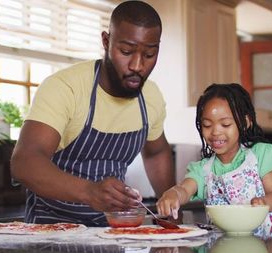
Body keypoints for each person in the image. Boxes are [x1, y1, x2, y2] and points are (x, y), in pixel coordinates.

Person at [10, 1, 175, 226]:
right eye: (126, 51)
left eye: (149, 54)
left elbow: (157, 152)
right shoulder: (65, 87)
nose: (137, 65)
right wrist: (89, 191)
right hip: (51, 230)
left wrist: (169, 203)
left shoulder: (151, 97)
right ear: (106, 42)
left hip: (112, 231)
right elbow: (25, 162)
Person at [156, 83, 272, 237]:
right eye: (207, 125)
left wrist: (264, 202)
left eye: (225, 124)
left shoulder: (262, 154)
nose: (215, 132)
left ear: (245, 123)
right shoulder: (202, 169)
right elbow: (184, 189)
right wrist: (173, 194)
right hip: (219, 246)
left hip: (266, 244)